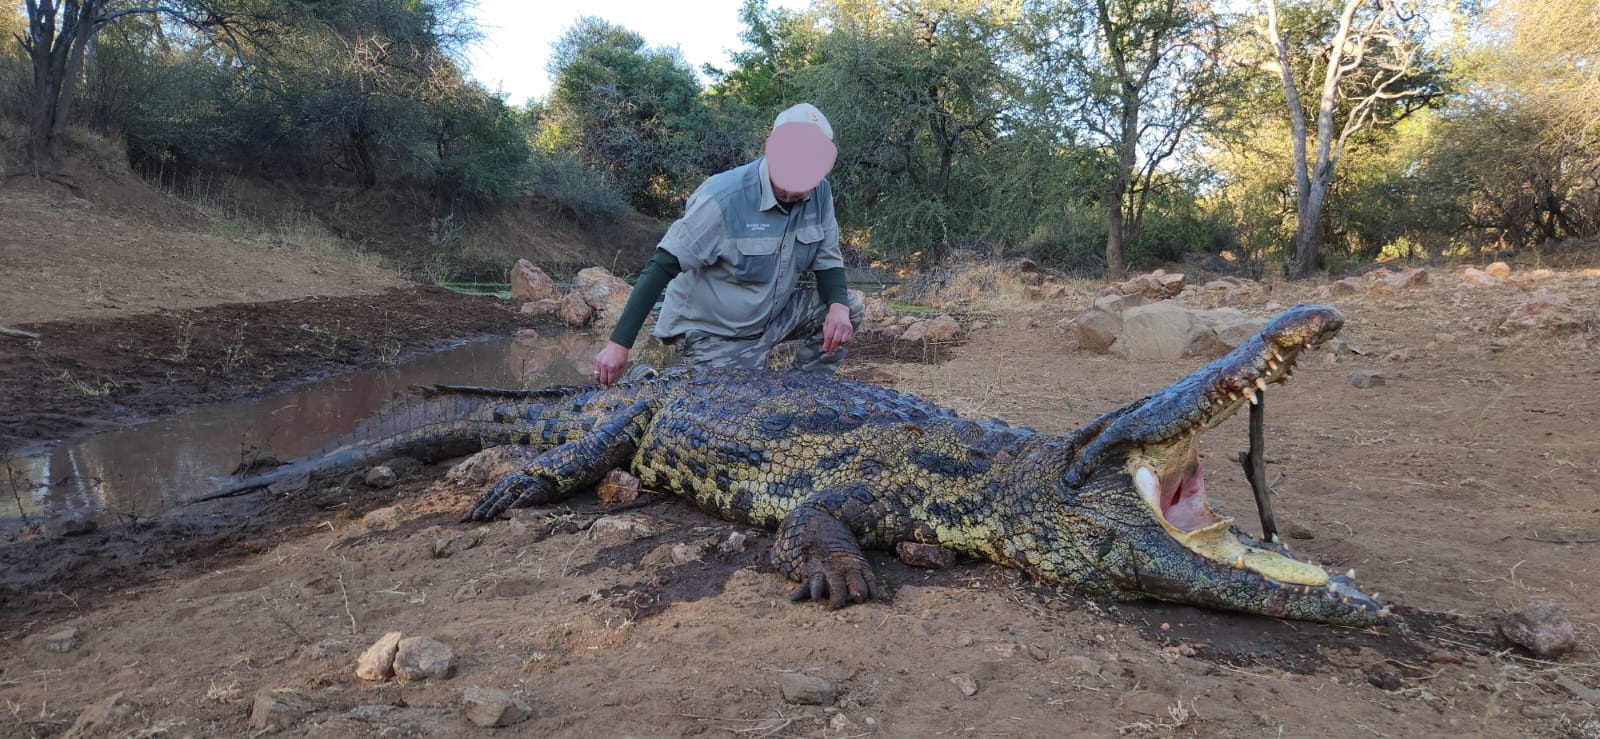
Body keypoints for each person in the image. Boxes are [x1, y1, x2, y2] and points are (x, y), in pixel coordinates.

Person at [592, 102, 864, 384]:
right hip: (715, 331)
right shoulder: (722, 197)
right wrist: (618, 344)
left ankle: (804, 389)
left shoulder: (821, 193)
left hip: (770, 319)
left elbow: (828, 259)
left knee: (849, 307)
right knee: (736, 403)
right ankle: (647, 379)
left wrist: (838, 308)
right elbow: (661, 265)